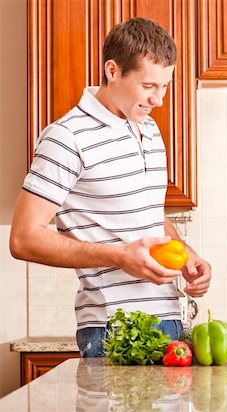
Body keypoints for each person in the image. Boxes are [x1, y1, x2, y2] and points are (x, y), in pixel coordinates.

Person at [9, 17, 211, 357]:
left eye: (165, 86)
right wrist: (119, 257)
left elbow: (148, 217)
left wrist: (185, 253)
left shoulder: (148, 130)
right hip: (111, 330)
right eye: (149, 86)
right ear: (113, 71)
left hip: (170, 324)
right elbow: (23, 237)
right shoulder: (67, 137)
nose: (159, 100)